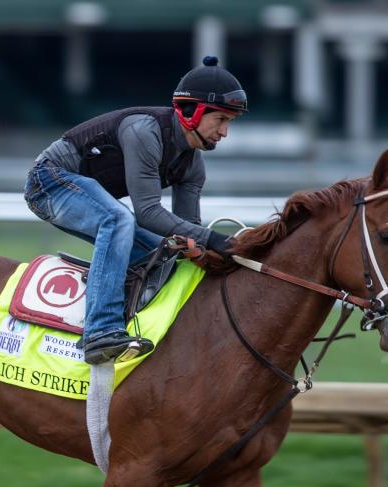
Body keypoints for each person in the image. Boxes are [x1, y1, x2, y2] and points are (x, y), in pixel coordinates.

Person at [24, 56, 248, 364]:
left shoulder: (193, 166)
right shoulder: (144, 131)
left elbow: (183, 231)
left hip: (80, 190)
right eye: (220, 120)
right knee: (118, 220)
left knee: (166, 252)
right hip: (48, 180)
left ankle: (127, 311)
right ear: (191, 112)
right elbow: (147, 213)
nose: (224, 132)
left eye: (229, 122)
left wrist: (201, 250)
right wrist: (213, 238)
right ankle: (100, 331)